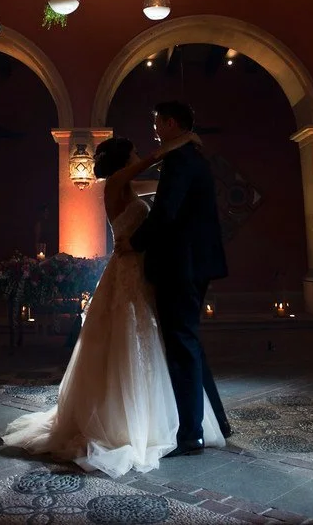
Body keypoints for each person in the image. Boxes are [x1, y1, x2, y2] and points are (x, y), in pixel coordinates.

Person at [1, 129, 224, 476]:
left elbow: (160, 192)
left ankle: (155, 417)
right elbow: (149, 165)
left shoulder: (131, 189)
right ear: (123, 160)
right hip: (127, 268)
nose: (139, 157)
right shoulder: (115, 183)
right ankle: (126, 422)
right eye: (133, 153)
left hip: (138, 269)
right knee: (129, 335)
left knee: (146, 337)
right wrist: (175, 145)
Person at [131, 100, 231, 458]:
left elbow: (166, 212)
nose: (154, 127)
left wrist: (134, 241)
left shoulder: (178, 159)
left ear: (171, 123)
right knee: (189, 341)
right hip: (194, 263)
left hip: (180, 265)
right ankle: (215, 421)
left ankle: (190, 434)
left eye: (157, 121)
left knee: (181, 344)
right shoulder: (192, 156)